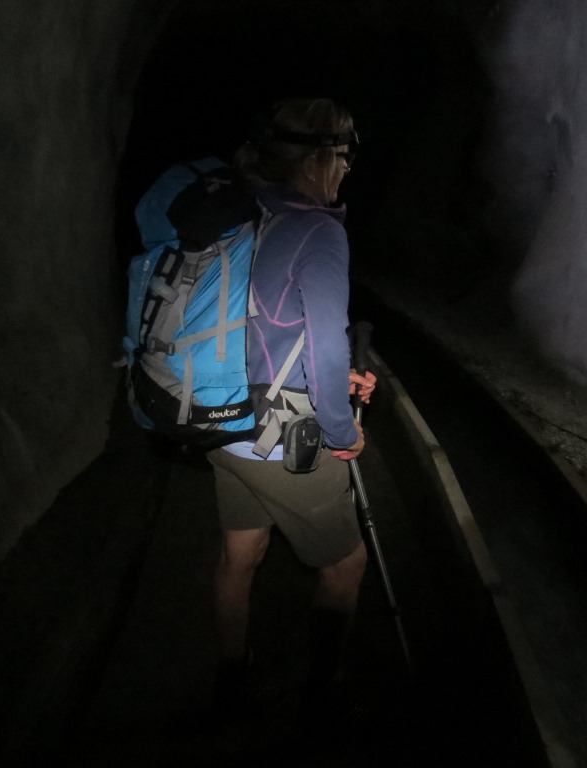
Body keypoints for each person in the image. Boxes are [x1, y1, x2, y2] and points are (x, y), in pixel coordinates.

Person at [206, 97, 377, 726]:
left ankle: (231, 682)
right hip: (280, 440)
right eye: (345, 153)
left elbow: (266, 326)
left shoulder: (245, 214)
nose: (349, 166)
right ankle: (323, 694)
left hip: (219, 422)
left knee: (239, 555)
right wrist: (342, 430)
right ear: (316, 160)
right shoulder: (320, 233)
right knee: (347, 564)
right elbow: (327, 348)